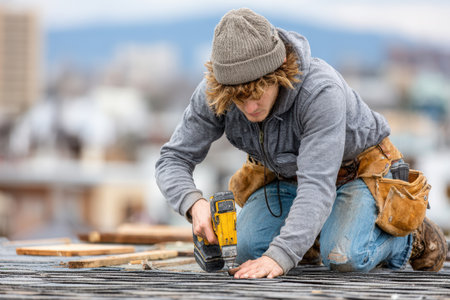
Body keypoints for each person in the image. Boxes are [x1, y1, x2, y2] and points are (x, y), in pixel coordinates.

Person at [155, 8, 447, 279]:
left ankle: (410, 238)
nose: (251, 106)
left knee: (344, 256)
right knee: (246, 251)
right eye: (239, 98)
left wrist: (280, 256)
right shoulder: (215, 94)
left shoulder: (320, 92)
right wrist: (193, 204)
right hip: (287, 176)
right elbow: (171, 160)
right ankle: (314, 235)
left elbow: (317, 186)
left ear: (280, 69)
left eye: (258, 91)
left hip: (358, 172)